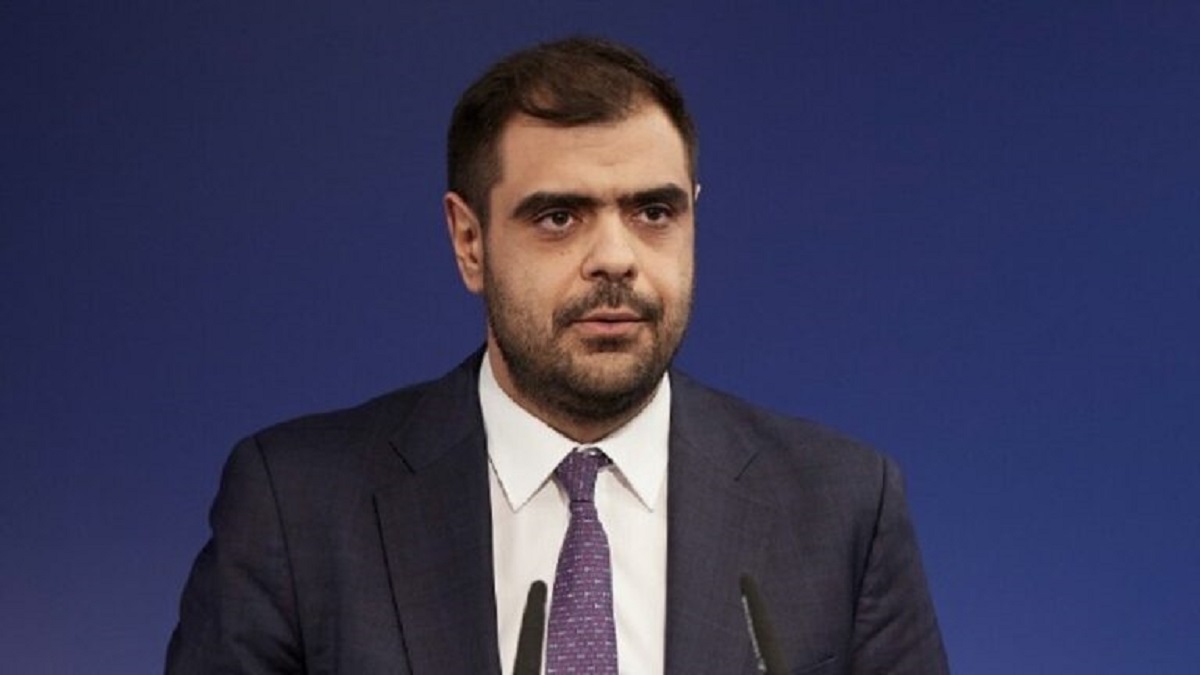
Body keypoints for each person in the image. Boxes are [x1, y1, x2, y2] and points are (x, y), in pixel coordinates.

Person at [166, 37, 948, 674]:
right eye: (559, 217)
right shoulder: (297, 506)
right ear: (469, 241)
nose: (616, 258)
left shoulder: (842, 506)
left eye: (654, 211)